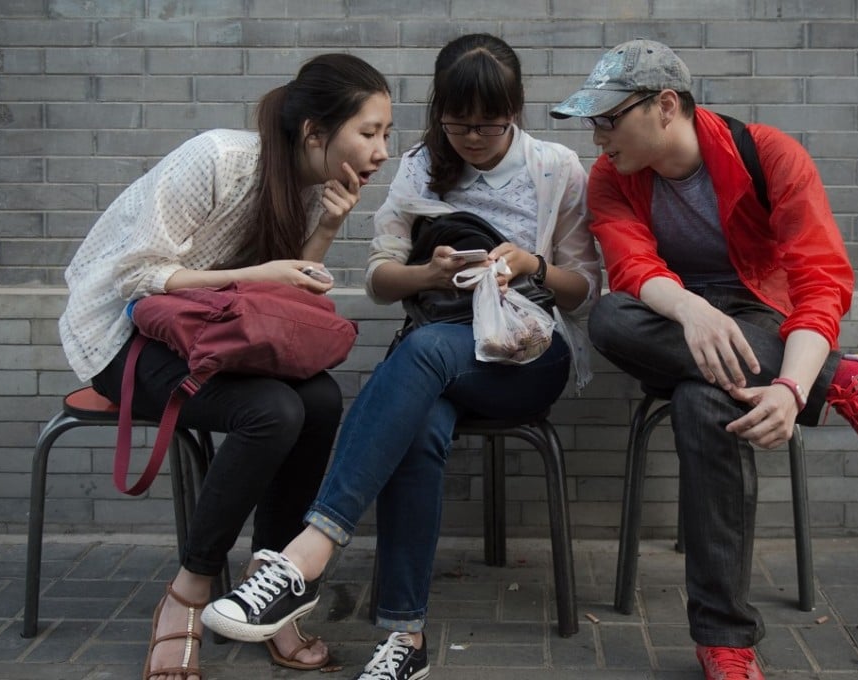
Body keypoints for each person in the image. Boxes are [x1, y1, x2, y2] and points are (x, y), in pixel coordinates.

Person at [200, 33, 601, 680]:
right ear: (439, 112)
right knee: (419, 423)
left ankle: (306, 555)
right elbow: (381, 282)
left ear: (515, 111)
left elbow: (584, 293)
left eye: (491, 124)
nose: (474, 138)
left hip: (527, 356)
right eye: (459, 123)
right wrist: (433, 275)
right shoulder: (418, 166)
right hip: (440, 351)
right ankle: (404, 639)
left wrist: (532, 265)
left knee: (420, 353)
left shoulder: (556, 167)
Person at [549, 39, 858, 680]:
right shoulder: (611, 177)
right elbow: (631, 268)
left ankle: (724, 641)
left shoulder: (769, 155)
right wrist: (693, 311)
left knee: (704, 402)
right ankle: (847, 379)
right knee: (609, 317)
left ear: (666, 106)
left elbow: (819, 282)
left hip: (757, 317)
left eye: (608, 119)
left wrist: (791, 388)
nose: (597, 136)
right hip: (670, 318)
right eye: (592, 122)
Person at [58, 54, 392, 680]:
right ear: (315, 131)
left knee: (320, 399)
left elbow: (278, 301)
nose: (381, 151)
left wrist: (327, 226)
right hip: (125, 338)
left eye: (385, 134)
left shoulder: (315, 186)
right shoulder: (218, 158)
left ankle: (269, 587)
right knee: (272, 411)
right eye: (369, 132)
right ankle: (187, 592)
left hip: (213, 340)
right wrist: (256, 272)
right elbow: (136, 277)